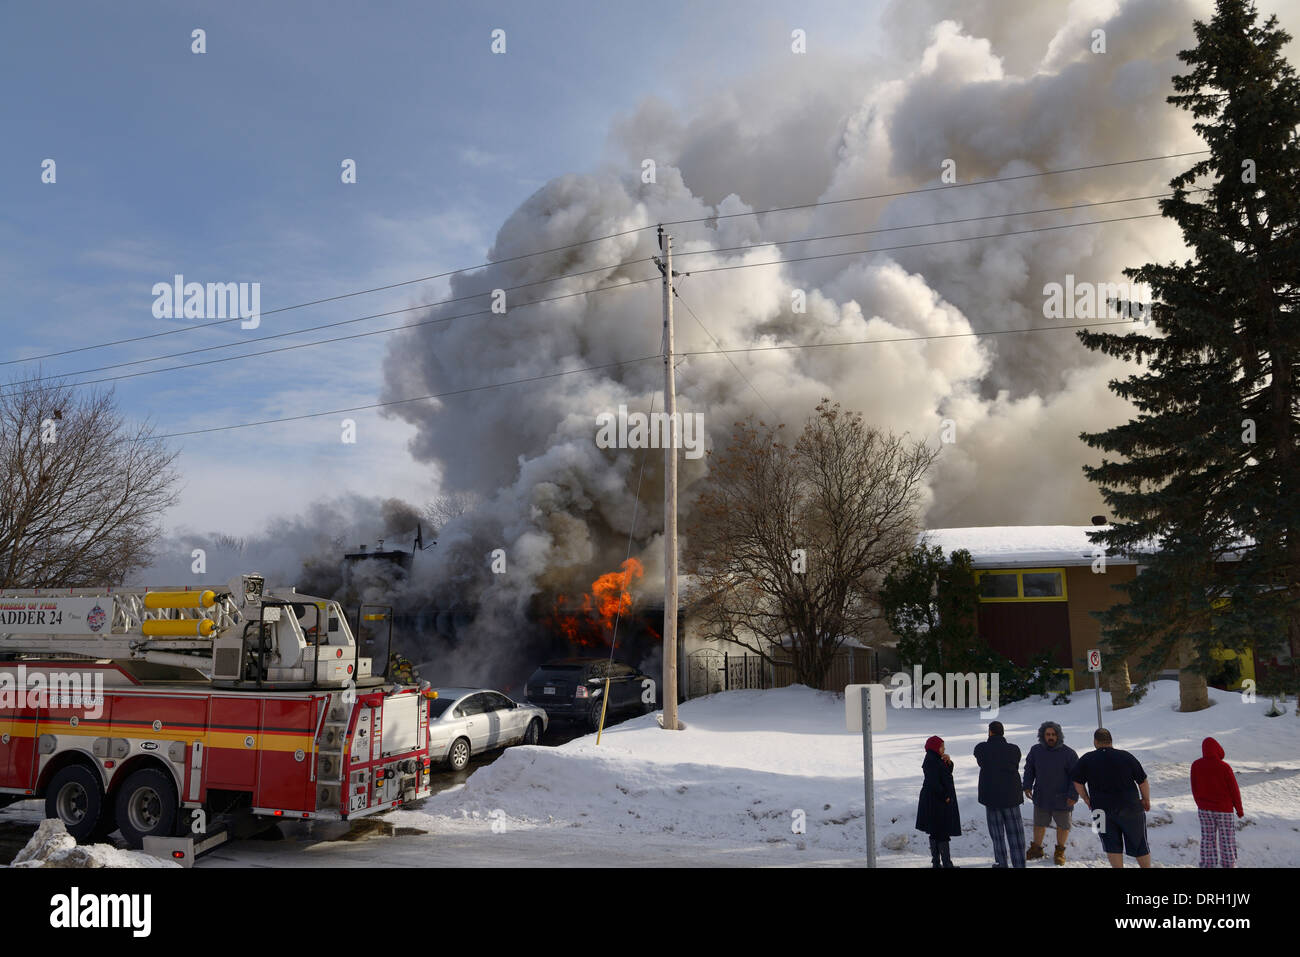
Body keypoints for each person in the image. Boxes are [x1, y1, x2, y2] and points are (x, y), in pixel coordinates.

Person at [1072, 728, 1151, 868]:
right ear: (1111, 741)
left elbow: (1077, 781)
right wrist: (1146, 799)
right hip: (1130, 808)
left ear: (1095, 742)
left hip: (1099, 811)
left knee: (1110, 845)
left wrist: (1086, 798)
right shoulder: (1126, 756)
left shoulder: (1087, 759)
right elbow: (1142, 780)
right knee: (1139, 844)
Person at [1022, 720, 1079, 865]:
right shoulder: (1036, 750)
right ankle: (1036, 849)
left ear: (1059, 736)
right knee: (1039, 824)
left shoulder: (1069, 753)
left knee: (1063, 826)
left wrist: (1073, 795)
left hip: (1063, 798)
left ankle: (1059, 852)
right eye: (1048, 734)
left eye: (1053, 734)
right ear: (1043, 735)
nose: (1051, 737)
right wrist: (1027, 785)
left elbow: (1076, 777)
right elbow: (1029, 769)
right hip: (1042, 795)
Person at [973, 720, 1025, 868]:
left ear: (990, 732)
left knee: (998, 837)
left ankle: (1001, 864)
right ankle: (1019, 864)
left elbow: (979, 757)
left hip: (991, 799)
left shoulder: (982, 748)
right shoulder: (1014, 749)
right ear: (1003, 732)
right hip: (1011, 798)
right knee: (1016, 836)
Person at [1190, 736, 1244, 867]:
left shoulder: (1196, 765)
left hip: (1204, 810)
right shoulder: (1224, 767)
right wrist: (1239, 809)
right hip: (1224, 810)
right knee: (1227, 840)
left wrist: (1200, 803)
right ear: (1217, 749)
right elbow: (1234, 790)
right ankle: (1229, 864)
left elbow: (1194, 787)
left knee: (1207, 839)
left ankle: (1208, 864)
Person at [916, 735, 961, 868]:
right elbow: (934, 782)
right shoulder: (931, 761)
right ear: (935, 747)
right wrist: (945, 796)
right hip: (937, 801)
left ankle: (937, 863)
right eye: (942, 746)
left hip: (936, 801)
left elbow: (944, 775)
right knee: (941, 832)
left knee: (936, 831)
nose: (944, 748)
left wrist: (949, 763)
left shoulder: (935, 759)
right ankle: (945, 863)